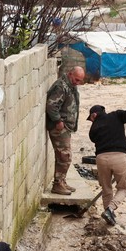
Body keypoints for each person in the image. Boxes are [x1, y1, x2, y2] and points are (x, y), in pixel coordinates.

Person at [46, 66, 85, 195]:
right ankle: (58, 184)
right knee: (64, 156)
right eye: (76, 79)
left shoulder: (71, 86)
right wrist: (58, 121)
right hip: (59, 128)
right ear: (70, 74)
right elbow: (51, 105)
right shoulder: (61, 86)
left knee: (64, 156)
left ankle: (61, 181)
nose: (77, 82)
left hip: (66, 127)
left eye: (80, 81)